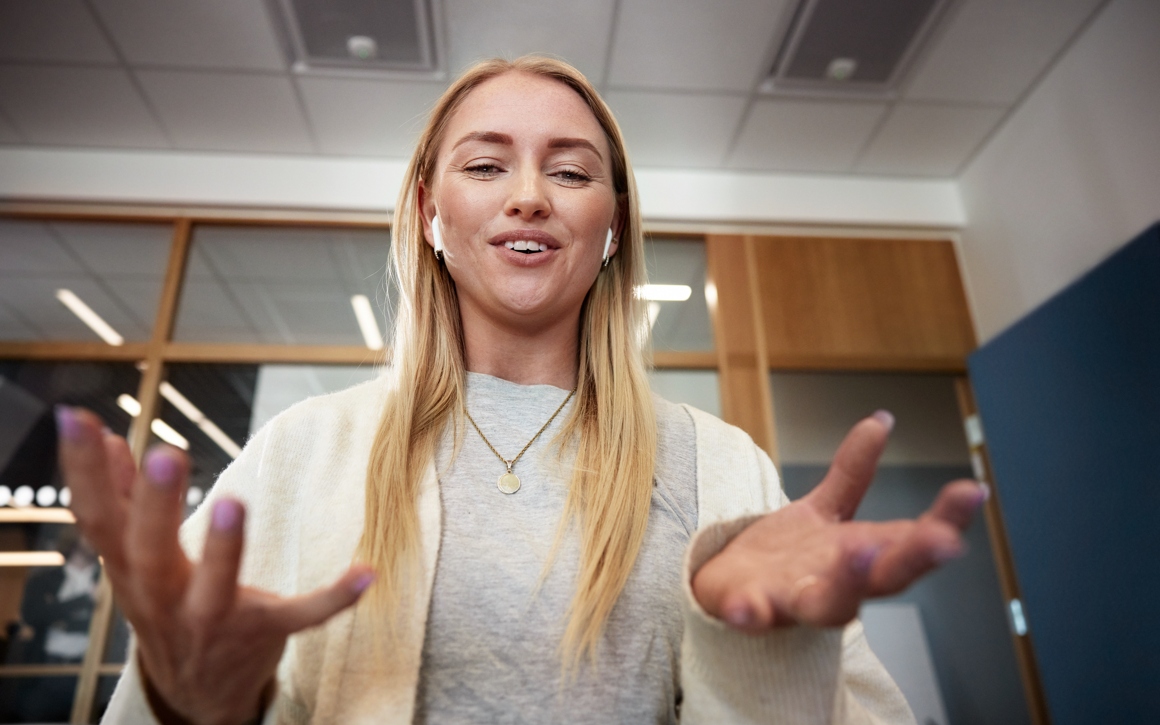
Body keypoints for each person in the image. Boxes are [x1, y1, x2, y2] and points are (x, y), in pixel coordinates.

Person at [56, 56, 985, 724]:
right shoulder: (305, 450)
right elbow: (169, 684)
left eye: (572, 171)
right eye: (487, 164)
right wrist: (189, 707)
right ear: (428, 211)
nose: (530, 195)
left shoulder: (718, 466)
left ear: (611, 225)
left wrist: (760, 659)